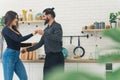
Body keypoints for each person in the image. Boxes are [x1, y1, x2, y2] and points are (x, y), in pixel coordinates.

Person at [21, 8, 64, 80]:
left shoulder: (57, 26)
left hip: (57, 57)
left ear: (49, 16)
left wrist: (44, 33)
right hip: (49, 57)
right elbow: (40, 43)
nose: (42, 18)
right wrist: (27, 50)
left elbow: (58, 38)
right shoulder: (46, 29)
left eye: (44, 16)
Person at [2, 11, 37, 80]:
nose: (17, 20)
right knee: (8, 78)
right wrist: (32, 34)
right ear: (10, 18)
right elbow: (19, 39)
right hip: (9, 56)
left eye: (17, 18)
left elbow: (18, 43)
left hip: (16, 56)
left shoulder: (15, 30)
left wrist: (31, 44)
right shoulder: (5, 29)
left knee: (24, 77)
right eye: (15, 18)